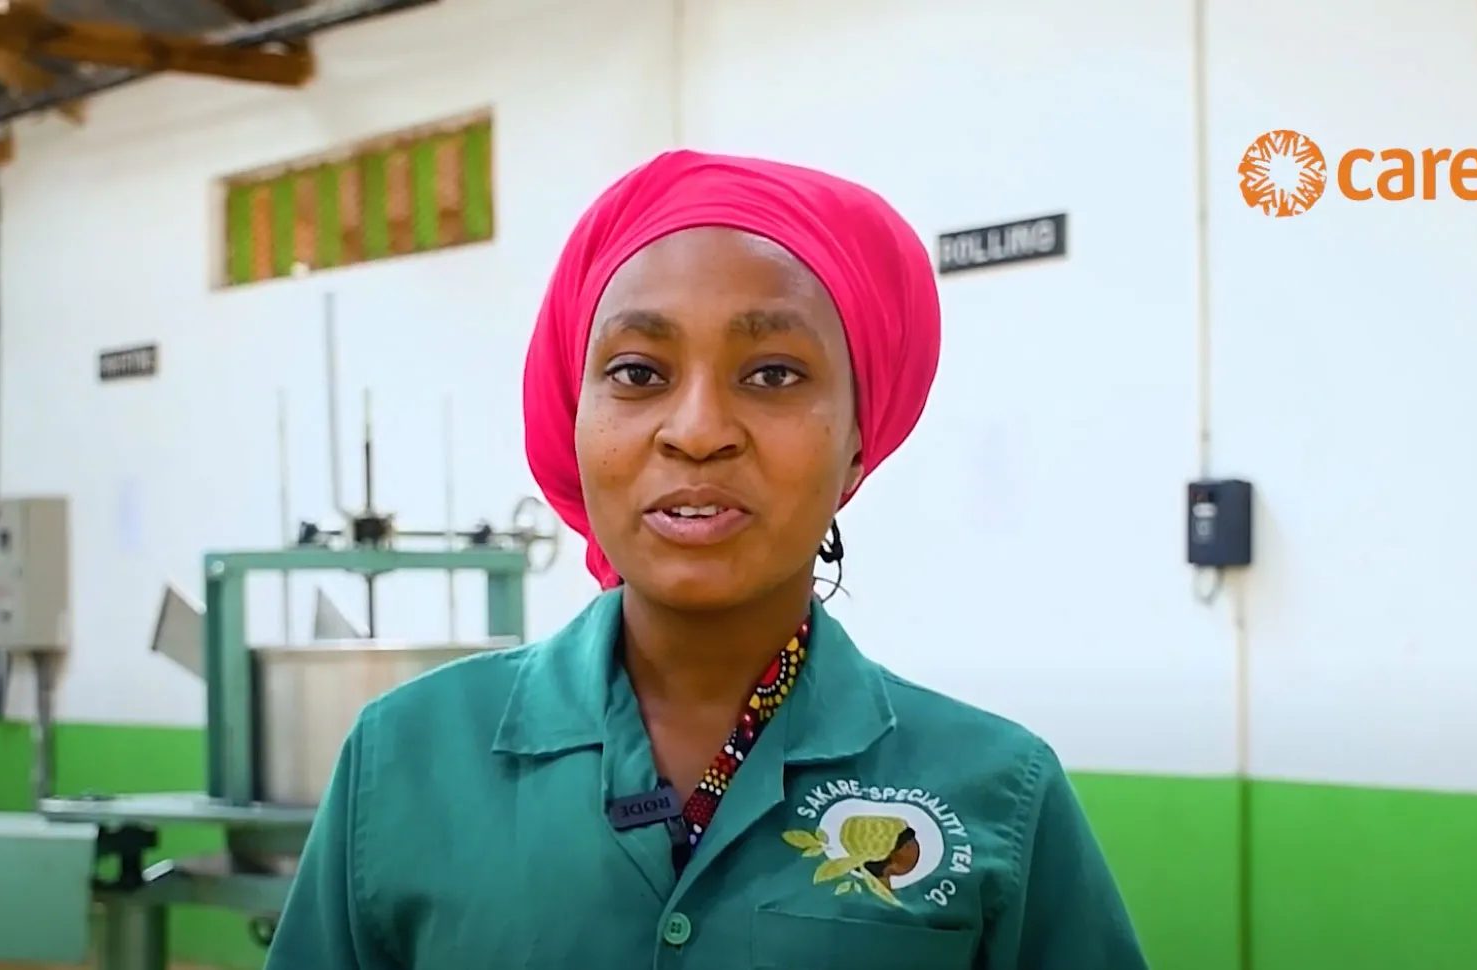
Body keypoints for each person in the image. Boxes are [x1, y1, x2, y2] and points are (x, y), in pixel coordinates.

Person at [264, 150, 1148, 969]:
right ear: (573, 421)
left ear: (855, 445)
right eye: (639, 373)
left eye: (771, 374)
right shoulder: (409, 758)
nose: (695, 431)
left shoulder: (994, 791)